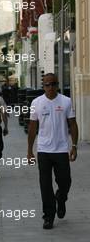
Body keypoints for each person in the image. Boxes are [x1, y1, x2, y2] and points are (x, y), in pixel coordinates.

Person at [27, 73, 78, 230]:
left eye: (53, 84)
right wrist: (30, 150)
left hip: (61, 149)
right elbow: (32, 127)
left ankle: (61, 199)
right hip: (43, 150)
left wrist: (74, 146)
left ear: (58, 85)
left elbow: (73, 124)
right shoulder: (36, 102)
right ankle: (48, 216)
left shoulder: (66, 101)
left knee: (65, 181)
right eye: (47, 85)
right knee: (45, 185)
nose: (50, 87)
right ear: (43, 86)